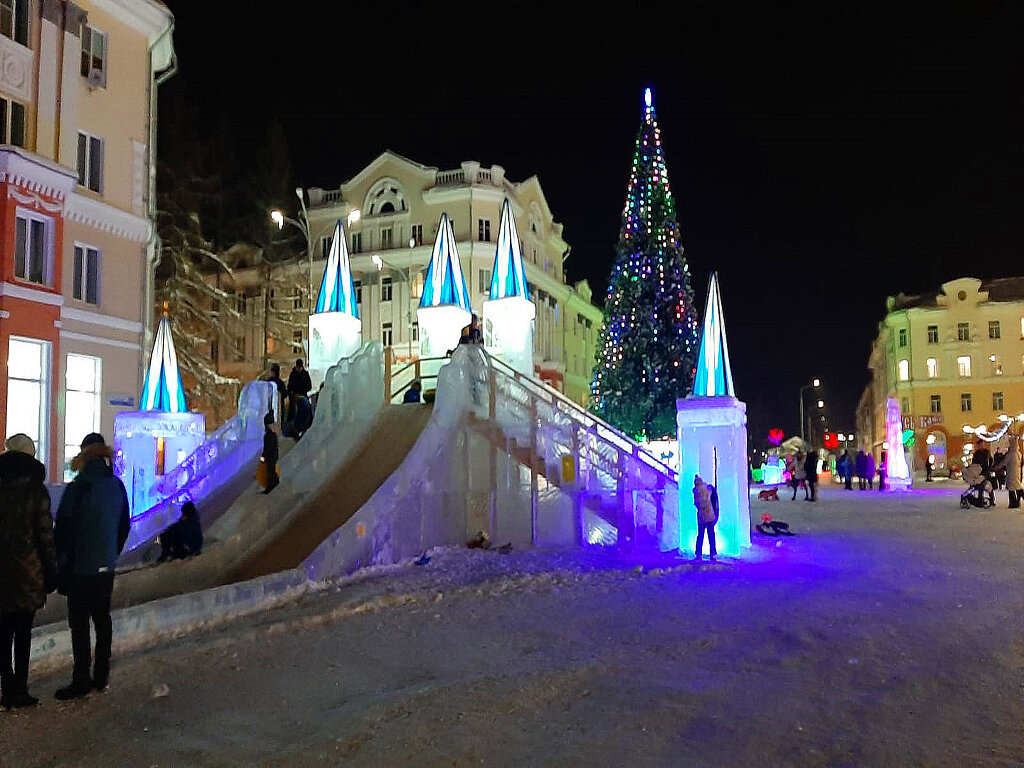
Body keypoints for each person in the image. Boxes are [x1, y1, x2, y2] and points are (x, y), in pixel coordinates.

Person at [53, 433, 130, 699]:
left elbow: (63, 529)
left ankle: (81, 679)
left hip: (80, 569)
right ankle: (101, 675)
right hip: (105, 568)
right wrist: (110, 555)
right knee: (102, 620)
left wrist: (62, 562)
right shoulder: (117, 486)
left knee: (80, 624)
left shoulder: (79, 487)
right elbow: (124, 526)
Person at [0, 435, 56, 709]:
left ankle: (6, 687)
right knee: (23, 634)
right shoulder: (36, 490)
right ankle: (20, 690)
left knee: (2, 634)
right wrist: (51, 573)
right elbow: (46, 537)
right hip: (28, 574)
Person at [692, 474, 718, 562]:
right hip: (710, 515)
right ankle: (713, 554)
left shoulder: (696, 493)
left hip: (701, 517)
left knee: (700, 535)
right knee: (711, 535)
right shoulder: (707, 490)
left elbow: (696, 504)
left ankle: (698, 553)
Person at [261, 412, 280, 494]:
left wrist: (263, 456)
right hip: (273, 456)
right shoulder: (273, 435)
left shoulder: (268, 436)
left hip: (270, 457)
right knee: (271, 470)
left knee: (270, 471)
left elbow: (267, 448)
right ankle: (274, 483)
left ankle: (272, 485)